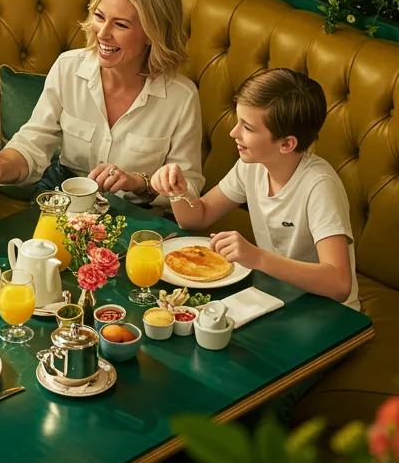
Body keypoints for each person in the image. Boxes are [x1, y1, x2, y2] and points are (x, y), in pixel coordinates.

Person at [0, 0, 204, 203]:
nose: (103, 34)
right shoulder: (68, 68)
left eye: (121, 25)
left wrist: (140, 184)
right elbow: (32, 144)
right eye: (99, 17)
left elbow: (189, 189)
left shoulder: (181, 97)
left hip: (136, 214)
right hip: (65, 199)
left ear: (152, 34)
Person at [150, 67, 359, 308]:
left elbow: (339, 284)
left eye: (247, 128)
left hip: (328, 313)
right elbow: (198, 217)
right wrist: (178, 191)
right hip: (278, 297)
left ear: (286, 144)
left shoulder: (319, 186)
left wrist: (257, 257)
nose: (233, 132)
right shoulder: (252, 166)